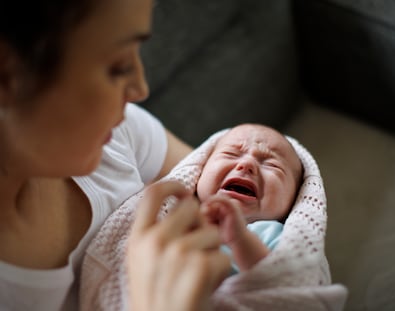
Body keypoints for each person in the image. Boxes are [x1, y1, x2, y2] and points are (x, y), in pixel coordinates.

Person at [0, 0, 231, 310]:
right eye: (119, 66)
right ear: (6, 73)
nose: (140, 89)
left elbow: (243, 191)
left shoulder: (114, 135)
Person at [196, 124, 303, 273]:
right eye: (230, 154)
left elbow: (281, 280)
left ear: (296, 198)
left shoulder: (276, 234)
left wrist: (239, 238)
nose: (247, 164)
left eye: (272, 165)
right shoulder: (179, 209)